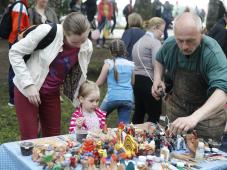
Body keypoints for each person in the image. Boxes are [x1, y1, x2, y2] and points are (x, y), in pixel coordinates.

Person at [9, 12, 93, 140]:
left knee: (53, 139)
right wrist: (29, 85)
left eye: (84, 40)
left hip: (52, 93)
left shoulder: (87, 46)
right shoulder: (47, 32)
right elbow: (14, 53)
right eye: (75, 42)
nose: (81, 45)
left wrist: (84, 98)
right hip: (26, 90)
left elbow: (81, 72)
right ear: (65, 32)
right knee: (30, 139)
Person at [152, 12, 227, 142]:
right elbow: (159, 59)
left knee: (202, 156)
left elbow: (222, 91)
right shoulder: (170, 45)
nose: (185, 46)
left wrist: (194, 117)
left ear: (202, 32)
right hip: (177, 112)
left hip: (207, 119)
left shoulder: (212, 53)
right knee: (172, 151)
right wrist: (158, 79)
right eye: (180, 41)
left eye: (190, 41)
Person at [132, 17, 165, 124]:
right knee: (154, 115)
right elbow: (157, 64)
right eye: (162, 31)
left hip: (137, 81)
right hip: (150, 81)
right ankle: (152, 139)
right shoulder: (155, 43)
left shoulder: (138, 42)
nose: (162, 34)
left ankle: (132, 138)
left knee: (138, 113)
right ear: (155, 28)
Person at [96, 39, 134, 124]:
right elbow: (132, 83)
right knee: (124, 126)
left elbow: (99, 83)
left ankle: (94, 136)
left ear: (110, 51)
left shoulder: (108, 64)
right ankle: (124, 137)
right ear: (124, 50)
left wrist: (88, 88)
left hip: (112, 98)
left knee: (96, 119)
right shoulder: (131, 64)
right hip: (127, 98)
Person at [8, 0, 30, 107]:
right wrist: (21, 42)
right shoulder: (19, 5)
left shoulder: (21, 5)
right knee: (15, 69)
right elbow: (18, 27)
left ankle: (15, 97)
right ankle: (13, 99)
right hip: (17, 41)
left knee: (15, 69)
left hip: (15, 41)